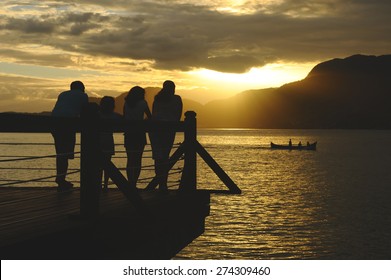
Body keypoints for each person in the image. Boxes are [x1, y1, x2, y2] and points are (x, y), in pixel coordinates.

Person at [51, 81, 88, 191]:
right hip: (68, 125)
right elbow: (84, 113)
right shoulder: (83, 96)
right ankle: (61, 179)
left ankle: (61, 178)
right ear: (82, 88)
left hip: (54, 124)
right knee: (66, 153)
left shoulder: (63, 94)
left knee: (60, 153)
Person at [150, 80, 183, 193]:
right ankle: (163, 184)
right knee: (165, 156)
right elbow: (178, 115)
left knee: (158, 157)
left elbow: (154, 114)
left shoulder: (157, 99)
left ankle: (160, 183)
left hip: (155, 130)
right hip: (168, 130)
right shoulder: (176, 99)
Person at [123, 86, 152, 188]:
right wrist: (143, 122)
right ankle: (134, 182)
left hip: (129, 133)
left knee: (130, 159)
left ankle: (130, 182)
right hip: (139, 133)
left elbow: (125, 117)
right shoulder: (143, 103)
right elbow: (149, 116)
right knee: (138, 159)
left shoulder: (126, 103)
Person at [99, 96, 121, 191]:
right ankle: (105, 185)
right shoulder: (114, 116)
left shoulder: (97, 115)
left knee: (98, 165)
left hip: (97, 140)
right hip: (108, 140)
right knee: (107, 164)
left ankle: (98, 184)